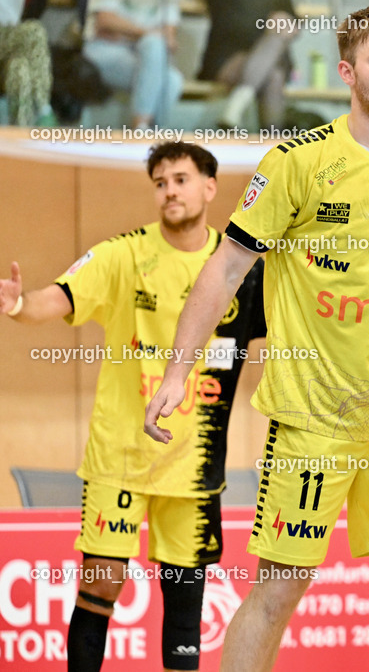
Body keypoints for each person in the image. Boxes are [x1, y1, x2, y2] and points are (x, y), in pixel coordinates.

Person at [143, 5, 369, 672]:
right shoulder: (298, 162)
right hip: (313, 420)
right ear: (346, 70)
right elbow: (225, 267)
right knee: (282, 585)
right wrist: (177, 370)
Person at [0, 142, 266, 672]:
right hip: (120, 459)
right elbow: (59, 297)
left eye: (181, 179)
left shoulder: (238, 269)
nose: (170, 189)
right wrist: (20, 305)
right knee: (99, 591)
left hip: (194, 469)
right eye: (161, 181)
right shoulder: (123, 254)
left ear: (210, 188)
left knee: (187, 608)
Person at [83, 0, 184, 130]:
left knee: (173, 79)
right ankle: (141, 130)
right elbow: (105, 21)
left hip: (144, 55)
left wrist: (155, 39)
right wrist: (147, 34)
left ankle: (145, 132)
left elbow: (169, 35)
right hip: (104, 51)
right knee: (155, 46)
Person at [197, 0, 297, 130]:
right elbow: (231, 21)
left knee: (274, 73)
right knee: (274, 75)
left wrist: (280, 21)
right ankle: (274, 144)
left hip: (269, 53)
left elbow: (292, 22)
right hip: (228, 56)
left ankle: (237, 104)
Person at [0, 0, 54, 126]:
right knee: (34, 31)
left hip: (11, 39)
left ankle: (21, 136)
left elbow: (34, 10)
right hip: (10, 35)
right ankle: (44, 108)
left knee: (20, 69)